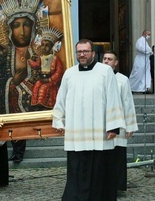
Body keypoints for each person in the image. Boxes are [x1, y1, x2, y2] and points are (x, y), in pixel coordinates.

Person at [52, 39, 125, 201]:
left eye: (85, 51)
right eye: (79, 52)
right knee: (76, 169)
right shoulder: (69, 73)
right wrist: (58, 120)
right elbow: (61, 99)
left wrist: (113, 126)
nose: (82, 54)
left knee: (98, 170)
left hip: (98, 132)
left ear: (93, 53)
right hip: (76, 132)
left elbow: (113, 99)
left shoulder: (105, 71)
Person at [0, 0, 49, 164]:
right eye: (16, 25)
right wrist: (11, 83)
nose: (22, 31)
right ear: (8, 29)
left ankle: (20, 150)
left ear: (34, 27)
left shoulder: (41, 55)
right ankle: (16, 151)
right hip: (10, 108)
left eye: (26, 24)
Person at [102, 50, 138, 191]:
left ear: (115, 63)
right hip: (102, 123)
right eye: (104, 58)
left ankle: (116, 185)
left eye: (109, 59)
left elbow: (127, 102)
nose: (106, 61)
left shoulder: (122, 79)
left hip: (119, 122)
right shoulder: (97, 77)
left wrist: (130, 125)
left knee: (117, 156)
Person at [29, 27, 64, 110]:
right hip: (42, 78)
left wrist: (49, 80)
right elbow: (36, 65)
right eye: (43, 45)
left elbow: (58, 73)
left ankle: (42, 105)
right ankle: (36, 104)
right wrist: (29, 60)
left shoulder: (55, 59)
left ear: (52, 47)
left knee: (44, 88)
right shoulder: (41, 57)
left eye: (47, 46)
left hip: (50, 81)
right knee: (36, 85)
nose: (44, 47)